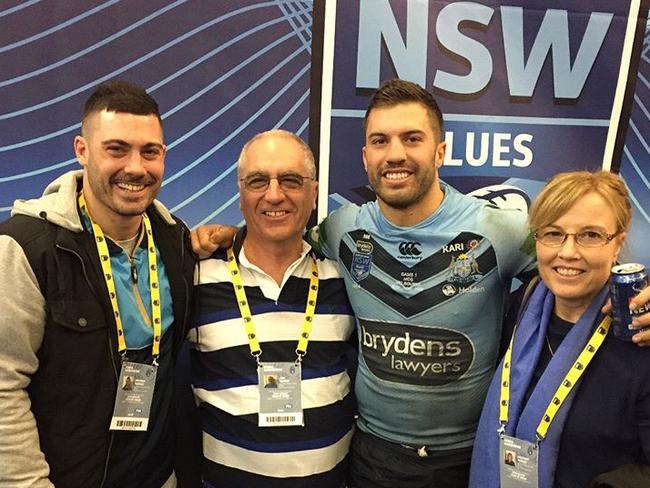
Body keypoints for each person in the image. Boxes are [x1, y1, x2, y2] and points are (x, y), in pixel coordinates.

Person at [191, 80, 650, 487]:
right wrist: (232, 236)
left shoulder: (502, 231)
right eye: (380, 140)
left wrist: (641, 296)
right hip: (372, 455)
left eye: (412, 138)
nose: (395, 154)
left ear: (440, 150)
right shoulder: (339, 231)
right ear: (365, 156)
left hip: (467, 456)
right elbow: (279, 233)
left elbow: (569, 264)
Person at [0, 81, 195, 488]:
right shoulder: (27, 249)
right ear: (82, 150)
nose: (136, 168)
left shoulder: (175, 240)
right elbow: (3, 390)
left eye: (150, 152)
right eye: (116, 149)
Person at [189, 130, 356, 487]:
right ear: (240, 193)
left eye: (291, 181)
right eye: (258, 181)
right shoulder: (196, 276)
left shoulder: (343, 277)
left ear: (313, 194)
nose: (274, 194)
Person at [470, 171, 650, 488]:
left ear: (618, 243)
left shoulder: (639, 337)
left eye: (590, 235)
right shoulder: (519, 310)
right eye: (553, 233)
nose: (567, 252)